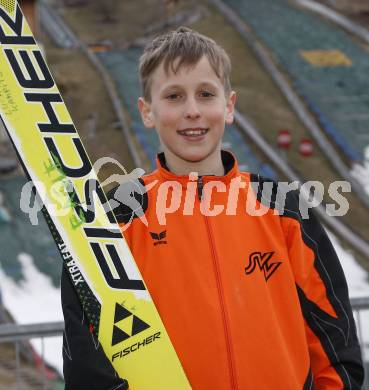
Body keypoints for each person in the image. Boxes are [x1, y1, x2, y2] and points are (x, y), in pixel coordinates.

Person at [61, 27, 364, 389]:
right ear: (147, 112)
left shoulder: (283, 209)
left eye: (206, 94)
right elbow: (88, 359)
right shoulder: (118, 218)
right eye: (174, 96)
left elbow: (334, 340)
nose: (192, 111)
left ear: (229, 105)